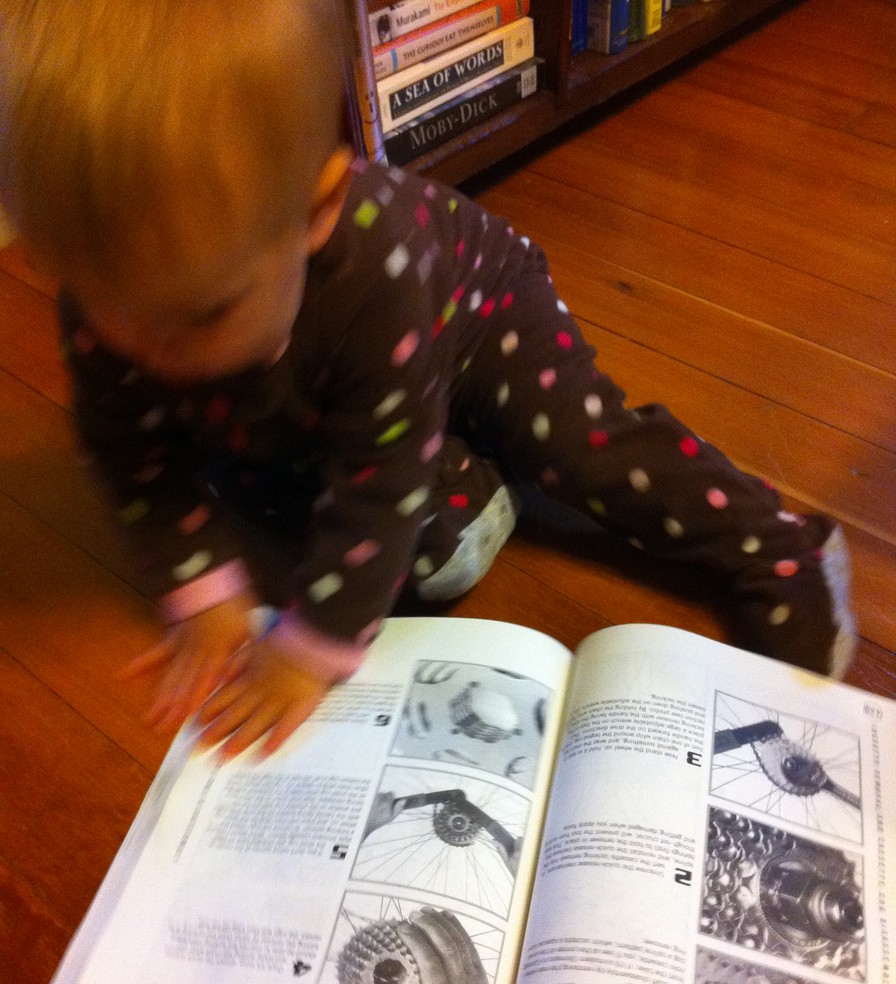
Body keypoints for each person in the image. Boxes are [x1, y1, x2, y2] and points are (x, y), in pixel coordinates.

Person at [0, 0, 856, 759]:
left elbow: (375, 479)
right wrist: (204, 594)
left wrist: (309, 648)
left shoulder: (374, 274)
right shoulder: (118, 304)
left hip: (479, 314)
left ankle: (781, 549)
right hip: (335, 380)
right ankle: (464, 479)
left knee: (578, 448)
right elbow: (133, 459)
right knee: (279, 492)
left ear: (318, 208)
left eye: (198, 314)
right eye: (100, 302)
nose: (145, 351)